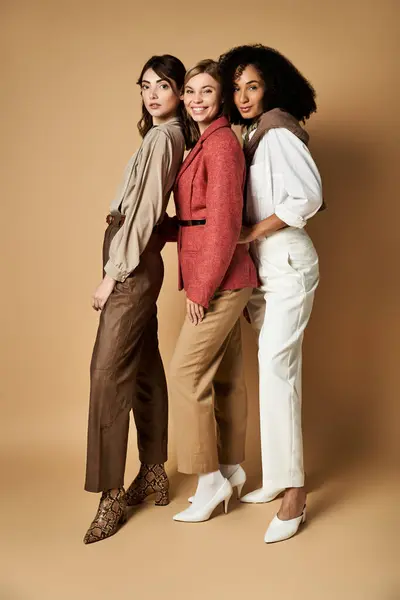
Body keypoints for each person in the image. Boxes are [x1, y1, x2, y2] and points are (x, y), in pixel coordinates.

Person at [218, 44, 324, 542]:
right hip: (268, 269)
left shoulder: (278, 130)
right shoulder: (255, 136)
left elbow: (308, 197)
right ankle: (279, 477)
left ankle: (295, 495)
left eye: (252, 86)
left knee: (276, 371)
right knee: (278, 374)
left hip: (286, 261)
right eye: (236, 86)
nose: (242, 96)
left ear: (272, 89)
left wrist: (248, 234)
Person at [83, 55, 188, 544]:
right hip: (137, 256)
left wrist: (113, 274)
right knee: (144, 366)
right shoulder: (161, 137)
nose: (151, 94)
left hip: (130, 263)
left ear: (179, 91)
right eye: (145, 86)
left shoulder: (164, 138)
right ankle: (154, 472)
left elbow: (145, 210)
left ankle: (110, 497)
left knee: (107, 373)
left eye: (162, 85)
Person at [168, 59, 258, 524]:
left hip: (221, 277)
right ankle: (231, 468)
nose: (196, 99)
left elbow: (223, 224)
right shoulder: (206, 143)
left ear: (220, 98)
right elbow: (196, 217)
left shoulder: (221, 145)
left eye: (206, 91)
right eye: (190, 91)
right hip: (221, 273)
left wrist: (200, 290)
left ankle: (209, 481)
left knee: (186, 372)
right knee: (225, 377)